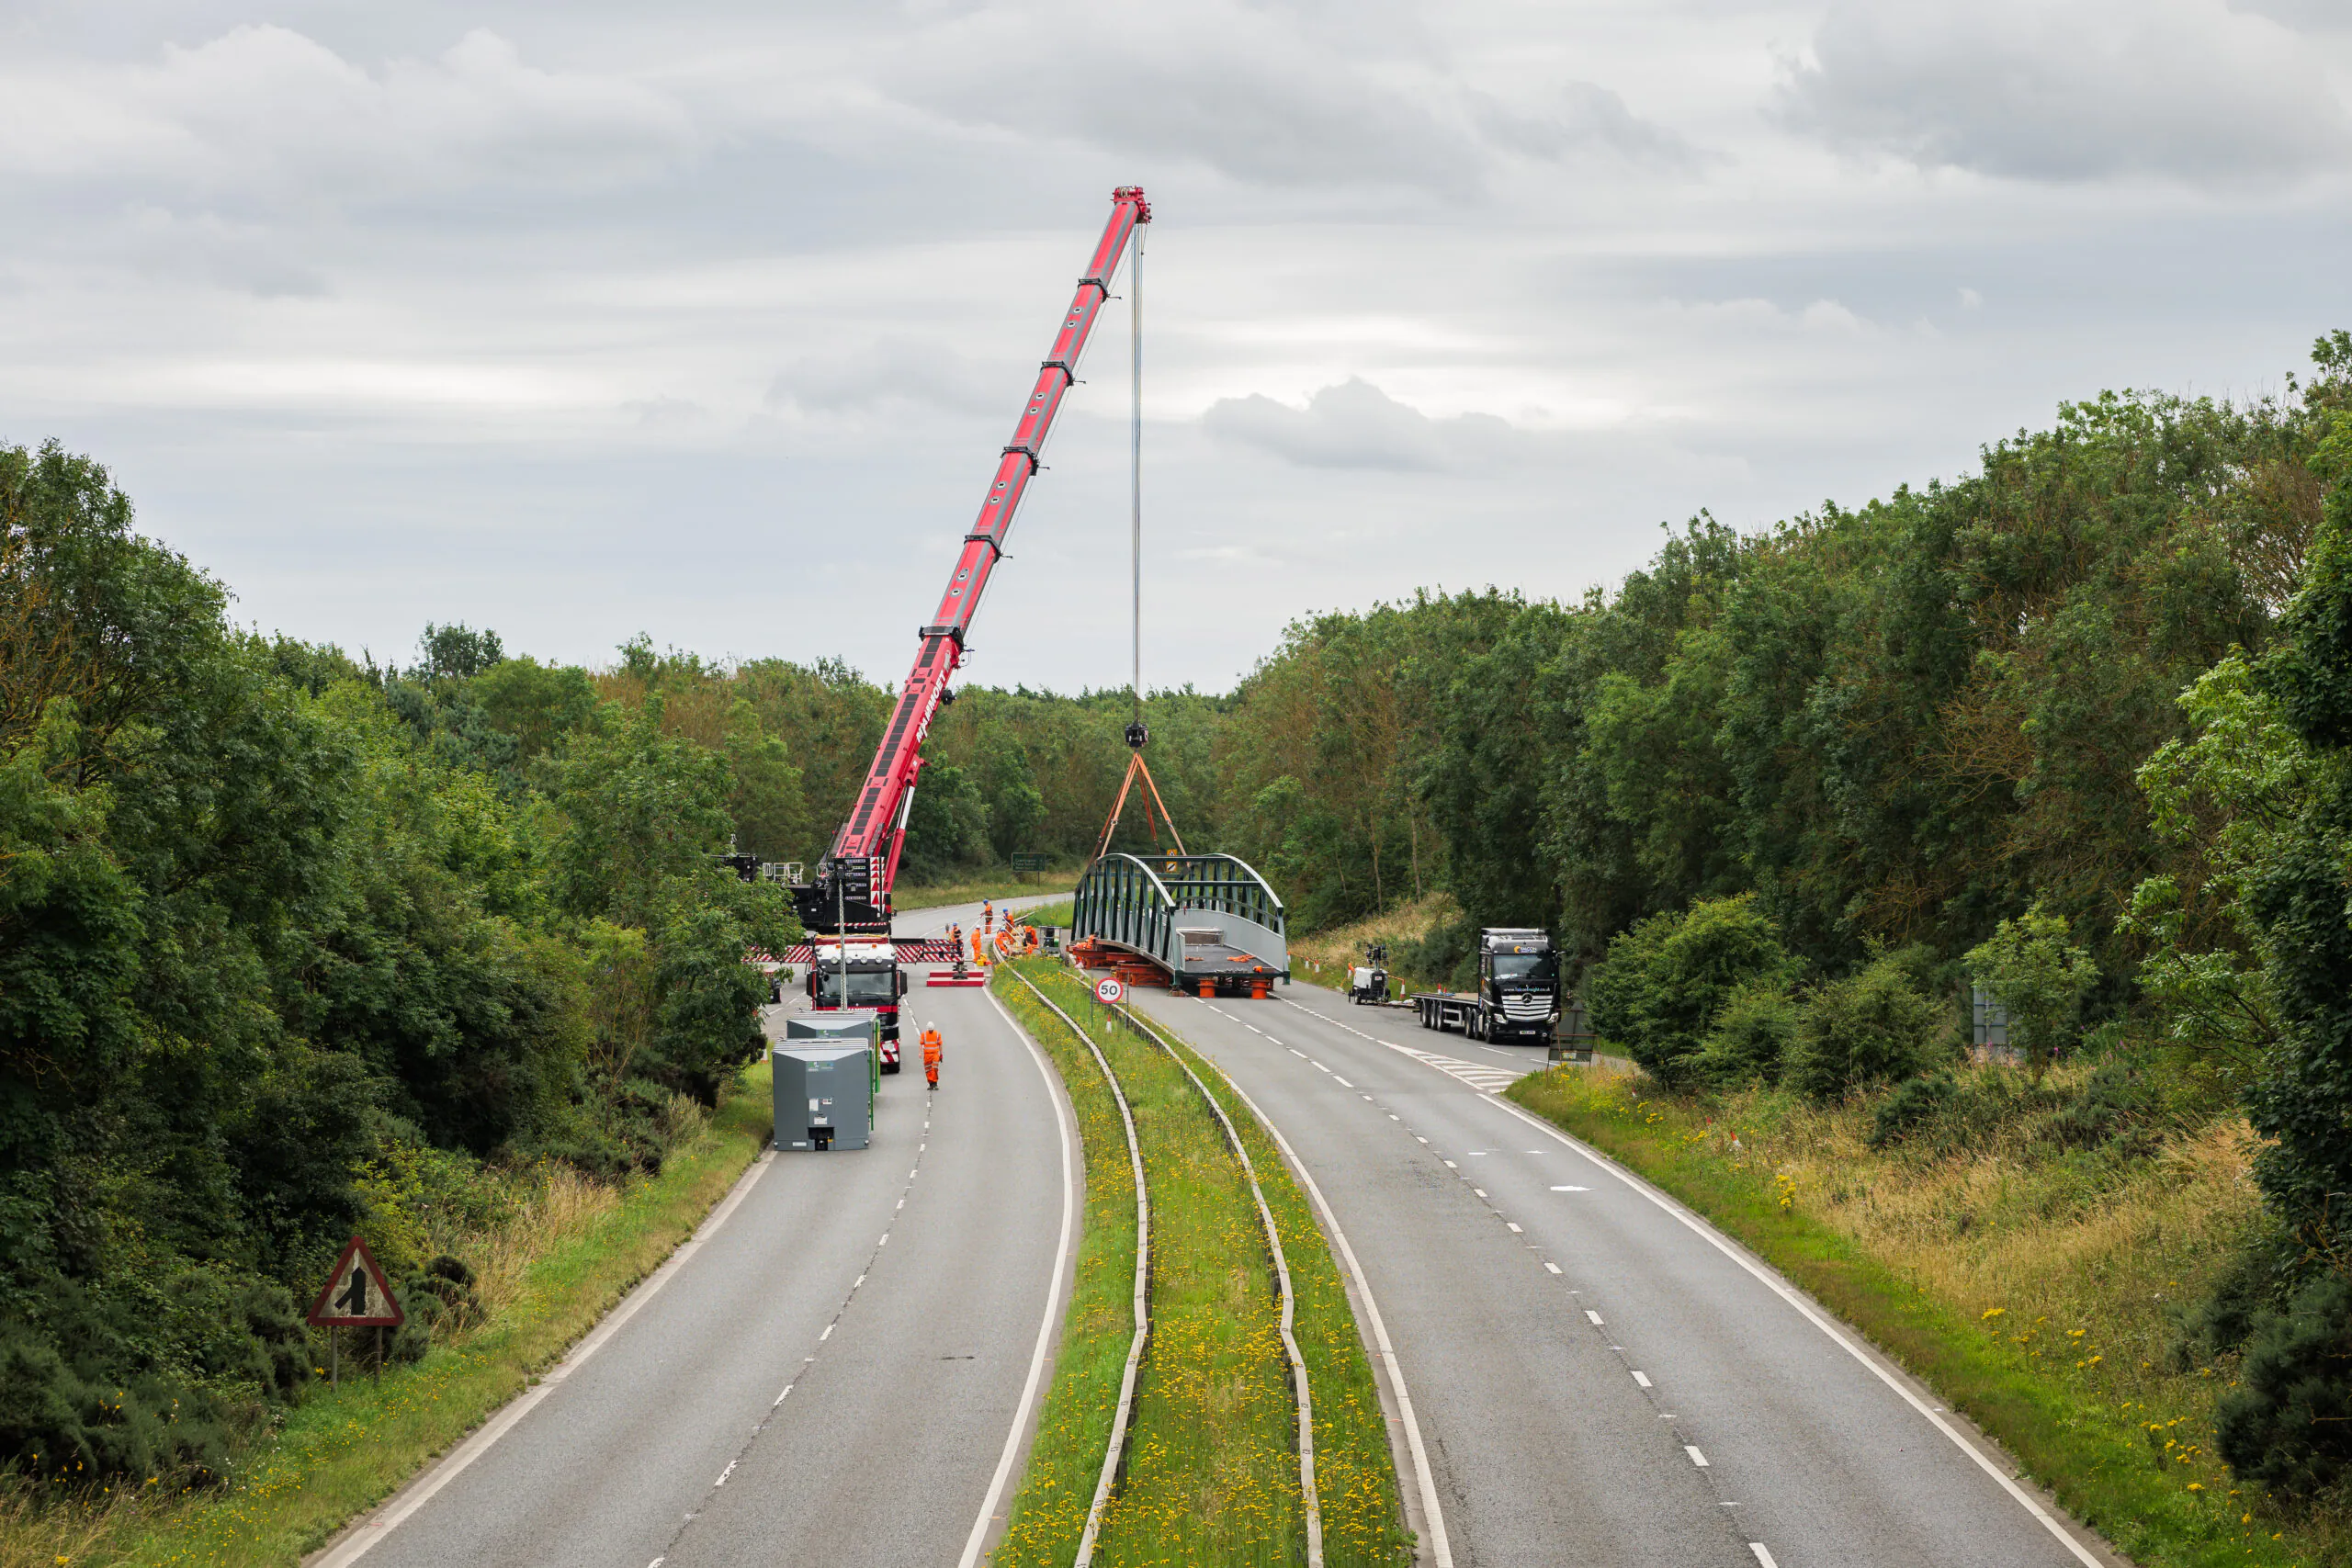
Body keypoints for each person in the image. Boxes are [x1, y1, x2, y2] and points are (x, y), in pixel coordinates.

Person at [920, 1024, 944, 1089]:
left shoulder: (937, 1034)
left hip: (935, 1054)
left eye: (931, 1030)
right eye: (929, 1030)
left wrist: (941, 1054)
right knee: (928, 1069)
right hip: (927, 1055)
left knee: (934, 1068)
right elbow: (921, 1044)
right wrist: (920, 1053)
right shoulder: (924, 1035)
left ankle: (935, 1083)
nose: (930, 1031)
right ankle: (930, 1083)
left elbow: (940, 1044)